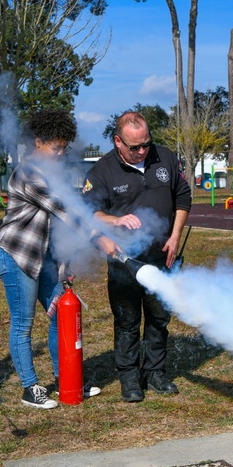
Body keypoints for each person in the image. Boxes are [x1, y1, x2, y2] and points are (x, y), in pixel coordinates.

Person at [0, 109, 119, 409]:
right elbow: (64, 211)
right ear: (38, 143)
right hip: (16, 256)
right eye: (55, 148)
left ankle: (67, 381)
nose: (61, 154)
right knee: (23, 324)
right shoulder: (28, 174)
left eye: (64, 148)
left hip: (43, 258)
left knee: (61, 313)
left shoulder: (51, 174)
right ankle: (30, 388)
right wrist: (98, 236)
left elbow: (57, 229)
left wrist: (64, 266)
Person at [84, 111, 192, 402]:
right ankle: (130, 378)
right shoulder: (102, 171)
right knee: (127, 320)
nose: (143, 150)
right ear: (118, 141)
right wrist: (114, 221)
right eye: (135, 147)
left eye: (146, 143)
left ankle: (155, 372)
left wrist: (174, 236)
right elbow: (88, 213)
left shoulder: (166, 158)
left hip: (162, 256)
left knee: (159, 318)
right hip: (125, 261)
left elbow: (183, 197)